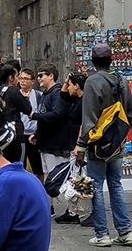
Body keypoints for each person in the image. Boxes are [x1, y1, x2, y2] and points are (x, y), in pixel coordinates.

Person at [76, 44, 132, 247]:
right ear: (111, 60)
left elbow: (89, 117)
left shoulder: (92, 82)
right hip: (117, 145)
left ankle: (102, 234)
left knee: (96, 186)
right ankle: (125, 231)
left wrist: (82, 147)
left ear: (93, 61)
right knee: (116, 185)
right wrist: (119, 133)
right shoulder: (121, 80)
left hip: (97, 144)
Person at [29, 63, 69, 216]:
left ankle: (73, 209)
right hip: (45, 143)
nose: (38, 79)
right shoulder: (45, 94)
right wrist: (37, 133)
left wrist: (35, 116)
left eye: (41, 75)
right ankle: (48, 207)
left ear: (51, 76)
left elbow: (56, 115)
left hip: (56, 143)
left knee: (59, 178)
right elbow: (45, 118)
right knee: (48, 176)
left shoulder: (57, 93)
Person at [55, 72, 91, 226]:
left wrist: (79, 145)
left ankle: (83, 212)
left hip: (79, 144)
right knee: (76, 178)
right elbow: (63, 94)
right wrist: (66, 80)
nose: (67, 87)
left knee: (81, 178)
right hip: (73, 142)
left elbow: (84, 123)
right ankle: (73, 211)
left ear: (77, 86)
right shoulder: (75, 99)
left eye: (71, 84)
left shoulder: (85, 102)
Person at [0, 63, 32, 163]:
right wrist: (25, 97)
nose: (18, 80)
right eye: (17, 76)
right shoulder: (12, 90)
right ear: (11, 77)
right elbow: (27, 109)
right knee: (18, 164)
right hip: (15, 134)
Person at [19, 68, 43, 180]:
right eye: (21, 78)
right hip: (20, 135)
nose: (22, 81)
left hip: (34, 135)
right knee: (20, 165)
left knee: (38, 165)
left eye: (26, 79)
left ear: (32, 81)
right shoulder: (15, 95)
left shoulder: (39, 95)